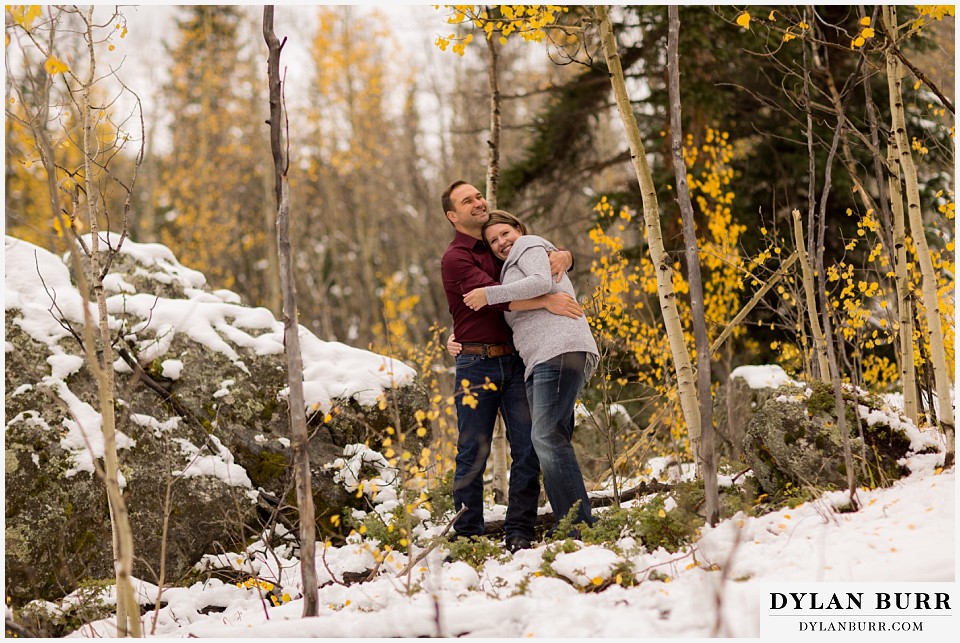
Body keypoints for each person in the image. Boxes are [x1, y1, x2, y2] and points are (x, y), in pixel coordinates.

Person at [440, 180, 582, 552]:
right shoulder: (457, 257)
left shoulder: (502, 248)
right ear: (453, 216)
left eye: (478, 196)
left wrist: (564, 256)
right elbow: (486, 302)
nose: (477, 202)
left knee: (529, 448)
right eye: (466, 201)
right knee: (473, 450)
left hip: (517, 360)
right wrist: (546, 301)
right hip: (475, 363)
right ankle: (468, 535)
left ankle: (520, 531)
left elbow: (538, 261)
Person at [463, 210, 599, 533]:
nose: (501, 242)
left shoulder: (528, 244)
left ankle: (578, 525)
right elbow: (519, 303)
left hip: (560, 348)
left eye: (504, 234)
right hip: (541, 358)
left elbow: (539, 282)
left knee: (545, 436)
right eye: (493, 240)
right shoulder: (509, 272)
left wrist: (488, 295)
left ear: (518, 229)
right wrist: (460, 336)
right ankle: (573, 520)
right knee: (553, 439)